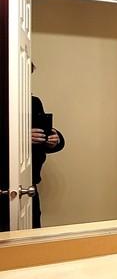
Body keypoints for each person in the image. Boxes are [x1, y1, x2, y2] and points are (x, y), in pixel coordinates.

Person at [31, 90, 65, 228]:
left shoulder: (33, 103)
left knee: (31, 239)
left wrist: (54, 140)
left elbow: (43, 132)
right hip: (9, 186)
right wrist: (19, 138)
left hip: (29, 187)